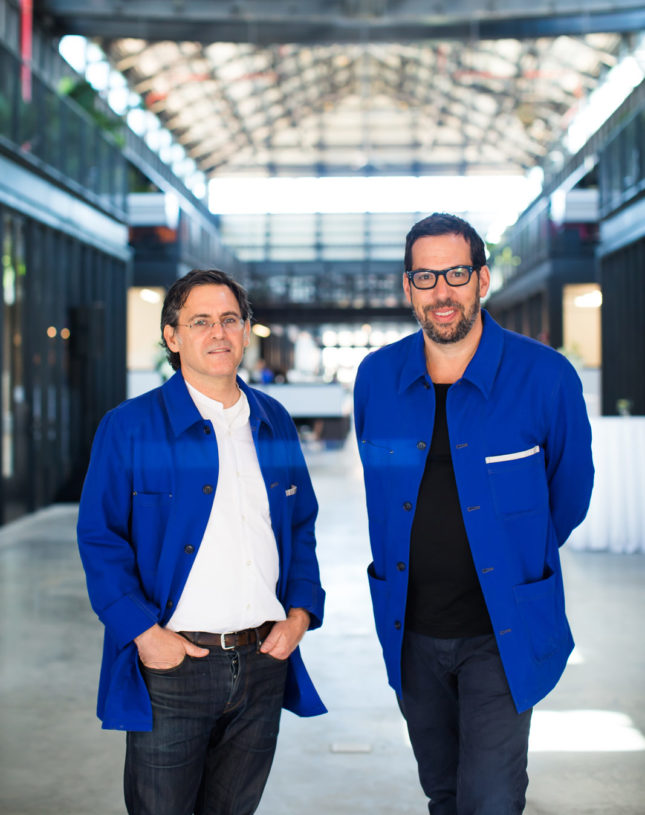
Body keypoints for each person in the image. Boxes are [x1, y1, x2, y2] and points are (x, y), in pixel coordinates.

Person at [353, 213, 593, 815]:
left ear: (482, 279)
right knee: (444, 792)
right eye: (426, 276)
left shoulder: (545, 377)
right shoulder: (376, 379)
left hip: (502, 630)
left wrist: (514, 558)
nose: (442, 292)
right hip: (412, 631)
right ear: (407, 287)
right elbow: (379, 498)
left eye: (456, 273)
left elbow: (570, 492)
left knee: (490, 800)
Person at [77, 268, 325, 815]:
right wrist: (144, 634)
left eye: (230, 320)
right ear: (173, 336)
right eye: (202, 321)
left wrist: (301, 614)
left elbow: (300, 524)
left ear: (246, 329)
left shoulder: (274, 422)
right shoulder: (130, 427)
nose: (219, 333)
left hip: (263, 661)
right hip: (173, 667)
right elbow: (100, 539)